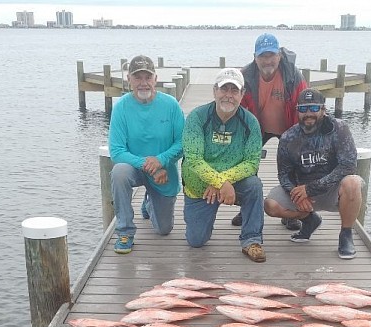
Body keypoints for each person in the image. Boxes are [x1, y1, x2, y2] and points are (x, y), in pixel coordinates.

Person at [265, 88, 364, 259]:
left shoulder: (339, 128)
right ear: (297, 111)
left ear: (323, 110)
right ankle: (309, 220)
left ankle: (346, 234)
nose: (308, 113)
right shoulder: (288, 137)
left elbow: (348, 166)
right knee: (270, 205)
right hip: (302, 192)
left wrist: (310, 189)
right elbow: (284, 175)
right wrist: (296, 194)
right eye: (303, 109)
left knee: (353, 183)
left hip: (332, 190)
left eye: (314, 108)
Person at [181, 68, 266, 263]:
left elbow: (252, 163)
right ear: (214, 91)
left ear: (242, 94)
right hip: (200, 187)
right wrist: (220, 182)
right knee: (196, 240)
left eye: (234, 91)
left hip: (233, 183)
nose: (228, 95)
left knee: (254, 185)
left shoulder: (250, 123)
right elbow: (193, 159)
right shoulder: (197, 117)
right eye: (224, 89)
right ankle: (150, 204)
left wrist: (222, 181)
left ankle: (251, 240)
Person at [231, 32, 308, 231]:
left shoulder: (292, 74)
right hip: (258, 127)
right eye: (262, 56)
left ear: (279, 56)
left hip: (289, 127)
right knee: (247, 165)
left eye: (271, 55)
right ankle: (245, 207)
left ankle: (290, 213)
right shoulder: (245, 76)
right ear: (255, 57)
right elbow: (237, 107)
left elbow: (305, 104)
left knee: (293, 168)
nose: (267, 60)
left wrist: (305, 134)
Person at [108, 54, 185, 254]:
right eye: (137, 77)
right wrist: (147, 165)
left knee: (164, 230)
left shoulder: (171, 105)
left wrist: (161, 160)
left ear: (155, 79)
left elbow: (183, 143)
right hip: (135, 168)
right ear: (129, 80)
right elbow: (116, 151)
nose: (143, 83)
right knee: (119, 172)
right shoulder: (121, 108)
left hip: (164, 172)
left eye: (147, 77)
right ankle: (125, 231)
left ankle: (149, 203)